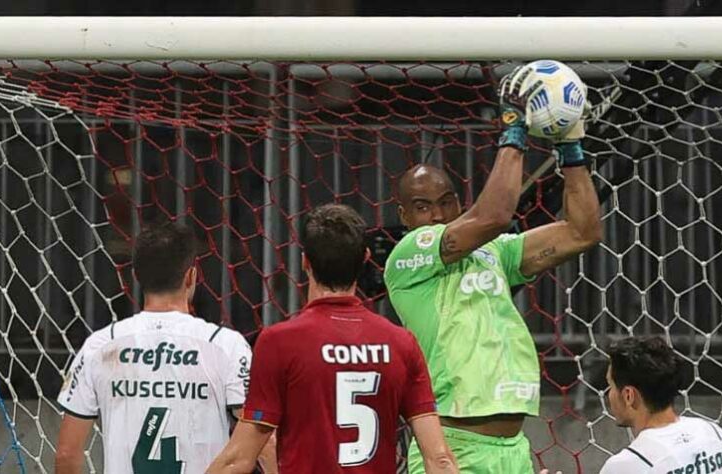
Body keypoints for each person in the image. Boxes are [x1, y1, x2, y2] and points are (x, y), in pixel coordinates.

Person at [383, 64, 602, 473]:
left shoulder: (496, 252)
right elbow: (496, 215)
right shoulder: (409, 254)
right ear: (404, 215)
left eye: (446, 201)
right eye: (421, 206)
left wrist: (571, 149)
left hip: (513, 449)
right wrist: (513, 129)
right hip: (454, 449)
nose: (436, 214)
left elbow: (582, 232)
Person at [207, 204, 458, 474]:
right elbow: (439, 459)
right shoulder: (401, 343)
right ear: (366, 259)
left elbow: (237, 460)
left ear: (305, 262)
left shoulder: (279, 342)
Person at [55, 222, 265, 474]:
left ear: (135, 275)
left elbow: (67, 454)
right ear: (192, 276)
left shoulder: (100, 345)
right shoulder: (226, 345)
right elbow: (261, 442)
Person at [601, 336, 722, 474]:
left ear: (628, 396)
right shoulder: (714, 433)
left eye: (611, 386)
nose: (609, 395)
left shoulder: (624, 466)